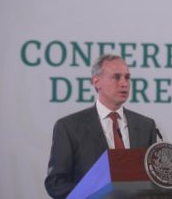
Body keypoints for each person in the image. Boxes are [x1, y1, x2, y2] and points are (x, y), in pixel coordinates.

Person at [44, 54, 157, 199]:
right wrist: (96, 194)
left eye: (127, 77)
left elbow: (154, 178)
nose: (124, 83)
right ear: (96, 82)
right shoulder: (69, 127)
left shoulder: (146, 125)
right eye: (116, 77)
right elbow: (56, 183)